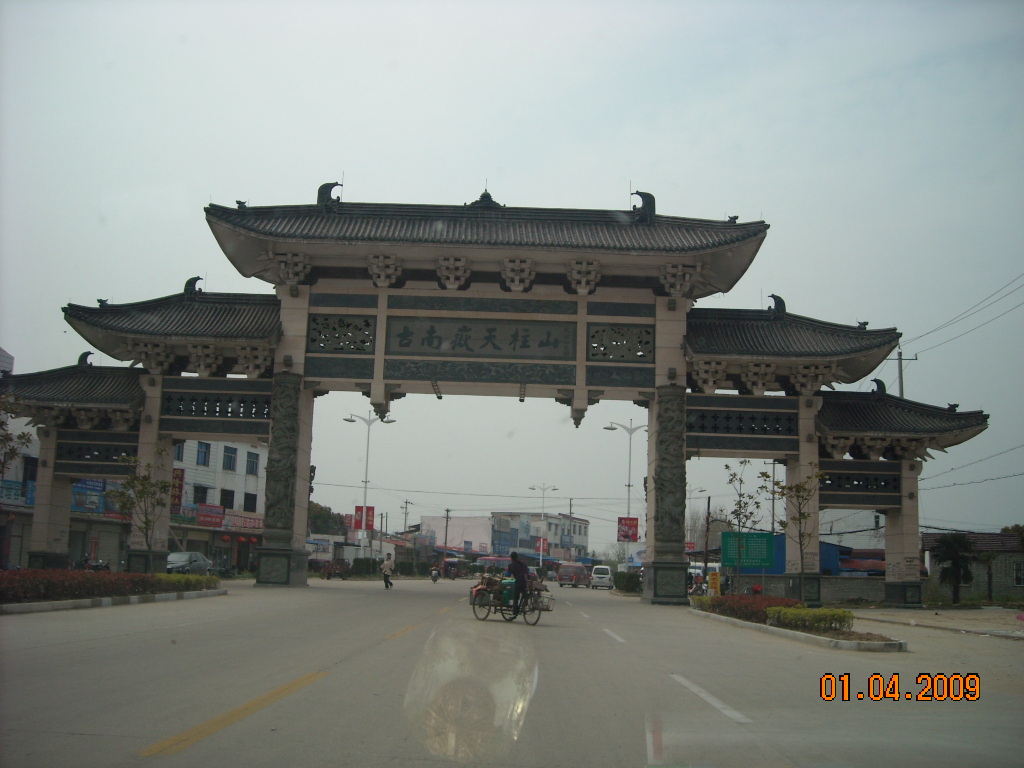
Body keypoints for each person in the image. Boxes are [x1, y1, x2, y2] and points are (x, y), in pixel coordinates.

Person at [506, 551, 529, 616]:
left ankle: (514, 613)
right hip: (526, 582)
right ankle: (525, 603)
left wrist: (504, 575)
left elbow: (508, 575)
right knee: (524, 594)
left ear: (511, 558)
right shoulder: (523, 564)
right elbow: (527, 571)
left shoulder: (511, 565)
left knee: (515, 598)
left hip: (519, 582)